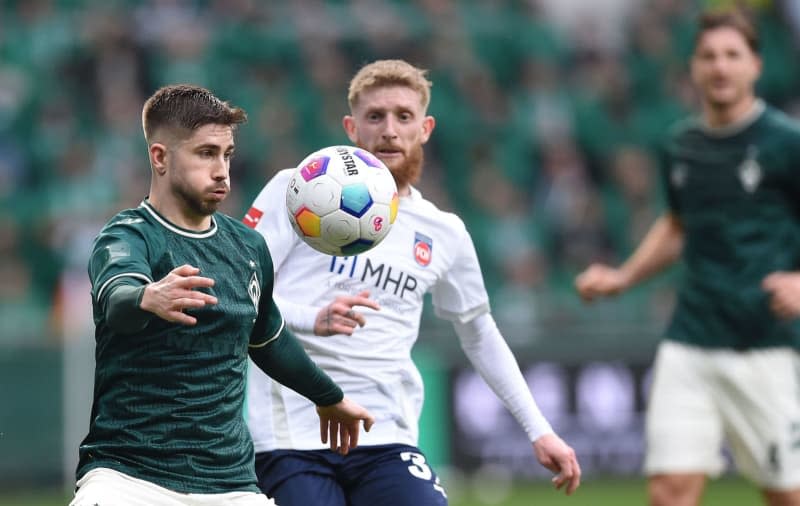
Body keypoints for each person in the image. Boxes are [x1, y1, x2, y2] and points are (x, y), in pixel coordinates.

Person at [243, 59, 581, 506]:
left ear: (426, 128)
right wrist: (312, 318)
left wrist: (540, 430)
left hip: (387, 435)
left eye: (403, 116)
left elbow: (479, 333)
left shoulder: (444, 231)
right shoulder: (300, 188)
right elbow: (241, 291)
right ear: (350, 126)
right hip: (291, 437)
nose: (389, 130)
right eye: (375, 116)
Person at [70, 84, 374, 506]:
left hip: (231, 485)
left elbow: (268, 337)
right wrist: (146, 297)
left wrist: (329, 397)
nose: (221, 170)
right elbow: (117, 299)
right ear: (160, 157)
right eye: (205, 153)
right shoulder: (129, 236)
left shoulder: (248, 248)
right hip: (130, 478)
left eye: (226, 154)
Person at [575, 9, 800, 506]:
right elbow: (677, 225)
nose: (720, 66)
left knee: (787, 495)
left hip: (762, 343)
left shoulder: (787, 144)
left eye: (732, 55)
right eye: (709, 56)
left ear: (756, 66)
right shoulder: (681, 145)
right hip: (691, 340)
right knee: (669, 492)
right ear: (694, 68)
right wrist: (623, 277)